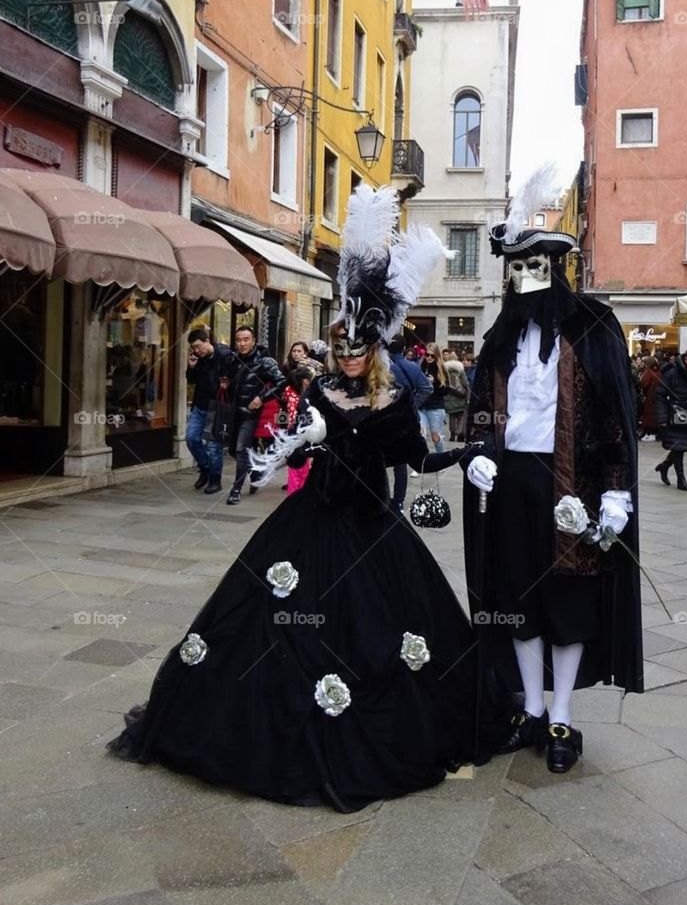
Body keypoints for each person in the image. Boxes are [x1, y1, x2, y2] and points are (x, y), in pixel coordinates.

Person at [106, 183, 504, 812]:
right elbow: (295, 449)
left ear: (374, 349)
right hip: (311, 520)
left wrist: (466, 456)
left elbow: (417, 458)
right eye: (339, 347)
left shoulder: (394, 401)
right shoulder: (317, 395)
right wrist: (296, 447)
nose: (347, 358)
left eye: (357, 349)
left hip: (373, 523)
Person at [463, 202, 642, 775]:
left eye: (531, 268)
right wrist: (478, 456)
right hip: (513, 483)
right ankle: (532, 710)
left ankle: (562, 713)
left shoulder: (593, 328)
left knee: (567, 599)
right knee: (517, 598)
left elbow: (616, 417)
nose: (522, 280)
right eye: (513, 270)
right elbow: (484, 414)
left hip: (574, 485)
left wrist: (615, 494)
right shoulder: (501, 337)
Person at [227, 326, 285, 505]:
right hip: (234, 412)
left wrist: (261, 398)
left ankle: (236, 489)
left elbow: (281, 381)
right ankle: (255, 473)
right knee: (232, 450)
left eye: (246, 339)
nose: (242, 343)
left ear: (253, 341)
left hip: (251, 414)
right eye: (239, 340)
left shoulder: (265, 361)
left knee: (241, 449)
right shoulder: (233, 360)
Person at [185, 327, 233, 495]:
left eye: (198, 346)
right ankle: (204, 468)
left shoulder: (225, 356)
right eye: (193, 348)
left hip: (217, 407)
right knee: (191, 438)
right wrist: (191, 367)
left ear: (207, 341)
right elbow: (191, 381)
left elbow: (235, 378)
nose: (196, 351)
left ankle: (215, 479)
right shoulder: (199, 358)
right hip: (199, 405)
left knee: (213, 446)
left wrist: (228, 383)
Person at [387, 334, 432, 513]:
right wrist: (411, 404)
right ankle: (398, 501)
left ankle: (377, 497)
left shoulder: (379, 366)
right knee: (400, 463)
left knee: (374, 459)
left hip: (378, 418)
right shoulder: (412, 367)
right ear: (404, 348)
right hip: (403, 421)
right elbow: (427, 388)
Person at [653, 347, 687, 490]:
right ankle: (681, 479)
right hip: (673, 415)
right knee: (679, 447)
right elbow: (660, 395)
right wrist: (662, 418)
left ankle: (664, 466)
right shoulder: (671, 373)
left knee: (680, 446)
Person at [282, 364, 315, 494]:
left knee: (296, 473)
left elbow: (283, 419)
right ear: (306, 381)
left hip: (292, 439)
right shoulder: (301, 400)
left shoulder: (289, 395)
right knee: (300, 474)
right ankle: (296, 499)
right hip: (298, 440)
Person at [419, 344, 449, 453]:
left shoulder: (442, 369)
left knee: (435, 437)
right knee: (421, 433)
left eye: (432, 356)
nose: (429, 357)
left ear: (437, 356)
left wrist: (434, 383)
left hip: (436, 407)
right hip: (421, 406)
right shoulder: (421, 367)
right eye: (427, 355)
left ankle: (442, 459)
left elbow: (445, 391)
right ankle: (422, 460)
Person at [444, 350, 470, 441]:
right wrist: (468, 396)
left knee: (452, 417)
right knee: (461, 417)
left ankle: (452, 435)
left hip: (449, 398)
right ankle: (460, 434)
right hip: (460, 397)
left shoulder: (445, 370)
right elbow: (466, 383)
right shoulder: (461, 370)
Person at [638, 356, 662, 441]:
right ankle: (653, 433)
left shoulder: (649, 373)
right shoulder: (658, 372)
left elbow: (644, 384)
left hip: (650, 397)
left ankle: (650, 433)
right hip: (658, 397)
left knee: (649, 415)